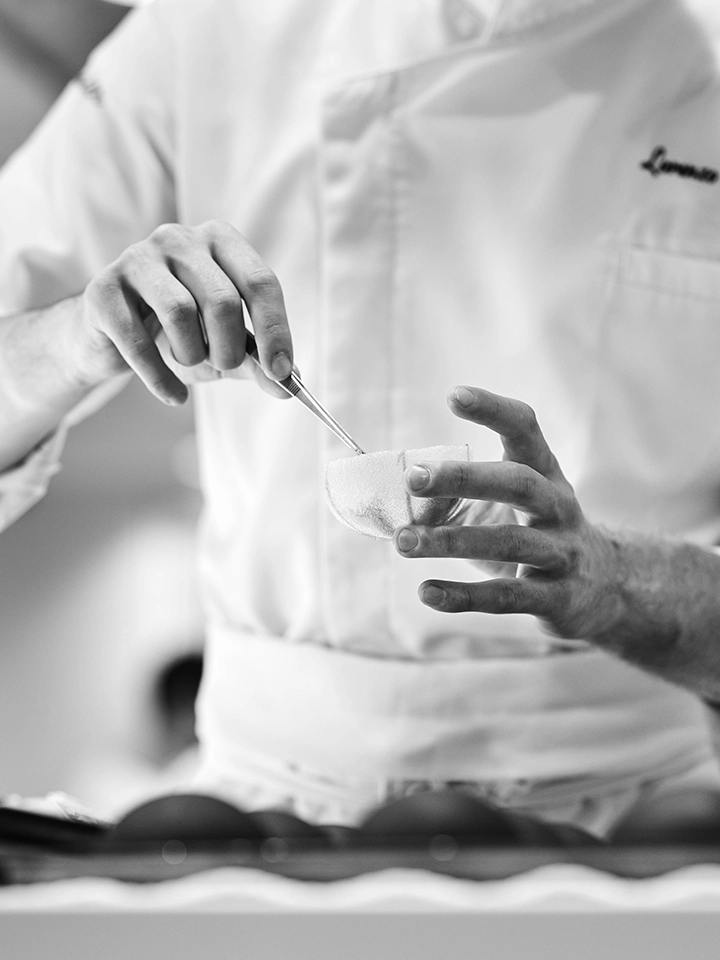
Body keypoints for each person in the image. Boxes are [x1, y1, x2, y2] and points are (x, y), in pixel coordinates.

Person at [2, 0, 720, 836]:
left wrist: (614, 581)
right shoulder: (207, 32)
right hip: (269, 801)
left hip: (637, 808)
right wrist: (75, 338)